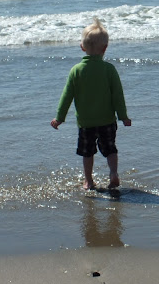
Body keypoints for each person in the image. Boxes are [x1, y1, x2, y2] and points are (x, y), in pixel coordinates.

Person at [51, 18, 132, 190]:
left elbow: (67, 96)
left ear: (82, 47)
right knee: (110, 149)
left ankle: (88, 180)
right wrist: (123, 117)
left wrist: (59, 118)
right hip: (107, 122)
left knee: (87, 152)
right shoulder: (109, 70)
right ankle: (113, 174)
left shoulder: (76, 70)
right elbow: (118, 95)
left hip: (86, 123)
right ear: (105, 48)